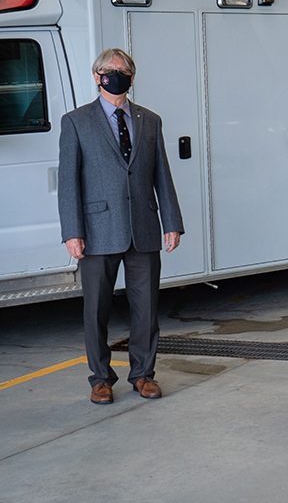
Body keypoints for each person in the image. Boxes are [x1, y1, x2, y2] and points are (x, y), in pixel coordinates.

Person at [58, 48, 184, 404]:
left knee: (146, 309)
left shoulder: (149, 120)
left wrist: (171, 222)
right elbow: (69, 182)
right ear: (97, 77)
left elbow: (162, 174)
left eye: (124, 69)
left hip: (143, 227)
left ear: (132, 75)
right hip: (97, 232)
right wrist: (72, 231)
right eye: (110, 70)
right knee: (96, 310)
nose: (117, 74)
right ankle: (100, 378)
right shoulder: (76, 121)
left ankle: (143, 375)